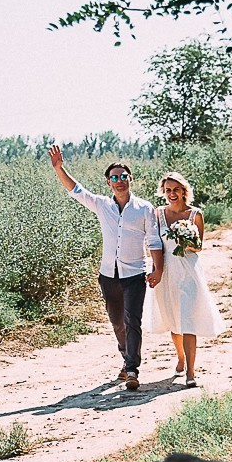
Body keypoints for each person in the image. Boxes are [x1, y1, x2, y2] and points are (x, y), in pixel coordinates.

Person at [48, 143, 162, 391]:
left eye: (123, 176)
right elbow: (76, 190)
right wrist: (59, 168)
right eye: (114, 178)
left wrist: (158, 269)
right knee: (117, 323)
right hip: (108, 275)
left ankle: (132, 369)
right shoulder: (102, 205)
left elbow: (154, 240)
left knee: (133, 321)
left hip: (135, 274)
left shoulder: (145, 208)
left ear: (130, 179)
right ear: (108, 182)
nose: (120, 181)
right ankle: (126, 358)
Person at [144, 170, 225, 386]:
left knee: (188, 318)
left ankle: (191, 372)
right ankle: (180, 357)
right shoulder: (158, 214)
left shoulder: (195, 214)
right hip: (168, 272)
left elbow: (198, 247)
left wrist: (185, 240)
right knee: (174, 319)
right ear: (163, 192)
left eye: (176, 190)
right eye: (168, 190)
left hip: (189, 272)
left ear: (183, 191)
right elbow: (154, 244)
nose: (172, 194)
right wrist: (156, 270)